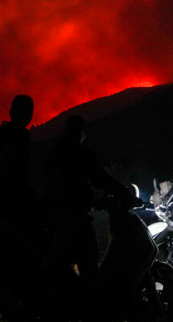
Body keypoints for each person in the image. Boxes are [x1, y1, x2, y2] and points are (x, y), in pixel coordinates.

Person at [42, 115, 132, 291]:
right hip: (73, 219)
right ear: (81, 132)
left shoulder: (54, 153)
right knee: (89, 268)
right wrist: (125, 193)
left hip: (54, 216)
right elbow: (100, 178)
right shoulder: (79, 154)